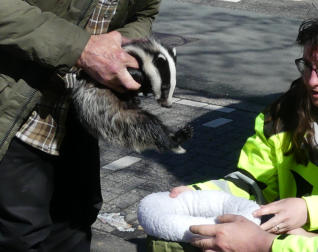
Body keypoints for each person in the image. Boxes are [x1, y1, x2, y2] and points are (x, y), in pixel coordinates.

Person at [0, 0, 161, 251]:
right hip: (13, 111)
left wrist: (122, 50)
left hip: (77, 119)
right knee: (19, 237)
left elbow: (144, 13)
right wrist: (82, 49)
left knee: (74, 227)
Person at [147, 18, 318, 252]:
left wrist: (304, 214)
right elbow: (253, 183)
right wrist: (200, 195)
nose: (311, 81)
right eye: (308, 66)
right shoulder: (284, 115)